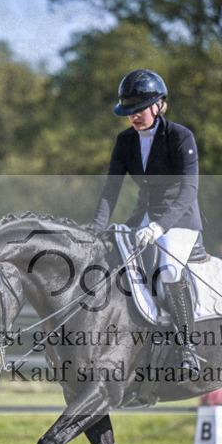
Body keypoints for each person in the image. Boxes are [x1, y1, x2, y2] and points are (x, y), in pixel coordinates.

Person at [89, 68, 204, 369]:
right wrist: (95, 229)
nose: (134, 117)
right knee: (116, 266)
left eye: (139, 110)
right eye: (129, 112)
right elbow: (110, 190)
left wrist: (160, 226)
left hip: (179, 220)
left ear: (159, 105)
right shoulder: (125, 141)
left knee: (166, 270)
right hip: (143, 217)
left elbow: (189, 190)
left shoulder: (181, 136)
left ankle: (188, 348)